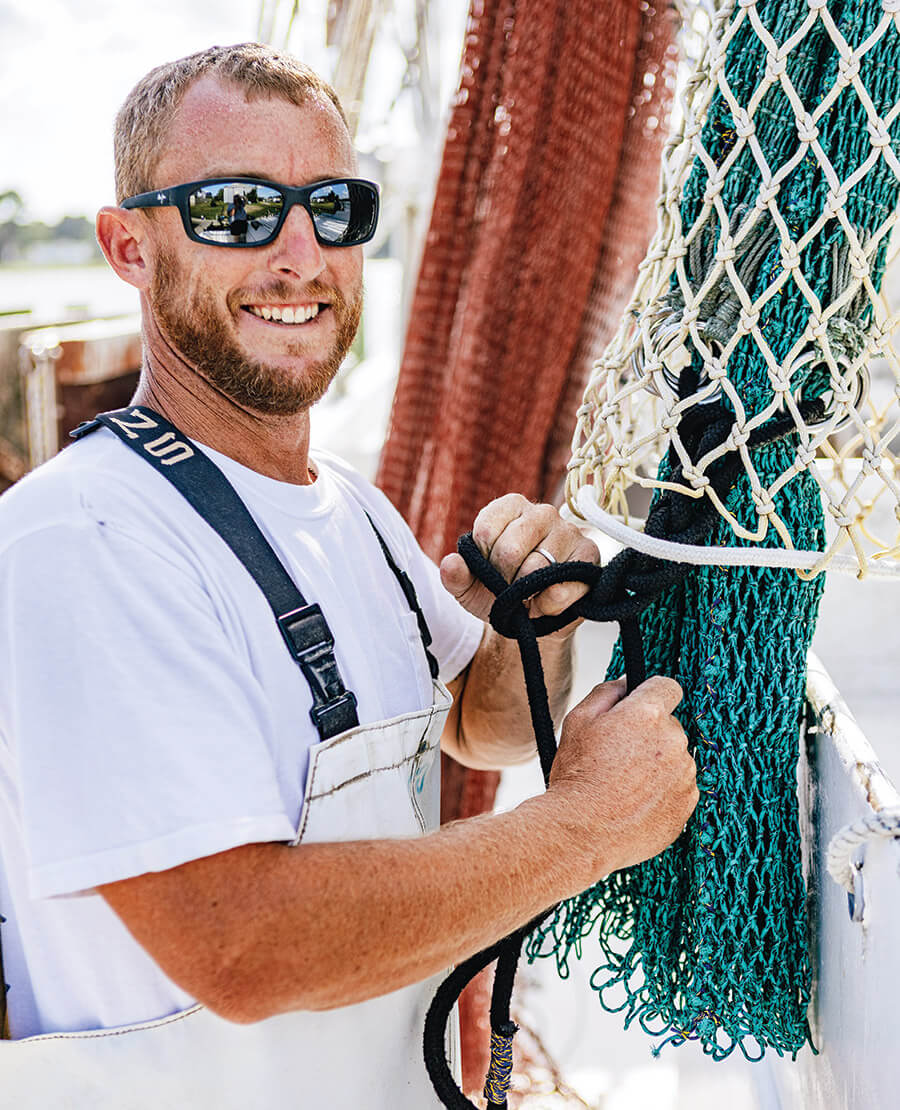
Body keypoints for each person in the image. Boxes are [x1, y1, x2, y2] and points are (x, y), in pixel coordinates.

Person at [0, 43, 698, 1108]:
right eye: (237, 209)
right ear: (128, 247)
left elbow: (481, 725)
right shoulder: (85, 539)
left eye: (334, 206)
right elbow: (241, 944)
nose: (299, 253)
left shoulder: (350, 512)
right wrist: (589, 826)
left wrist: (538, 607)